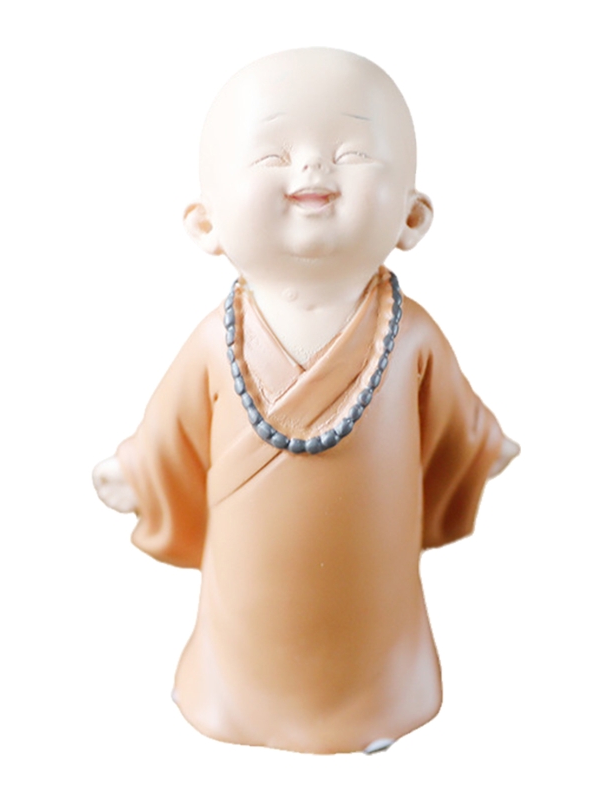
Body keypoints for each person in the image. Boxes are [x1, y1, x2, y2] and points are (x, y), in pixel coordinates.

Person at [93, 47, 519, 754]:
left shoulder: (410, 336)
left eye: (351, 153)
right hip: (248, 587)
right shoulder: (215, 341)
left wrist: (482, 444)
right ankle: (228, 697)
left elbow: (453, 420)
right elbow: (172, 428)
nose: (313, 169)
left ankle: (381, 702)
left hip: (371, 578)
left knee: (372, 634)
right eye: (272, 157)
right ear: (205, 224)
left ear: (412, 217)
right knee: (242, 642)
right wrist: (135, 469)